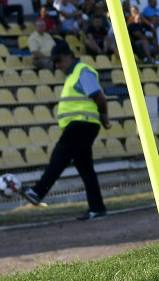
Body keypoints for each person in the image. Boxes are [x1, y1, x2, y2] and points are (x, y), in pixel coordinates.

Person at [22, 40, 109, 220]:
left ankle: (38, 192)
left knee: (59, 156)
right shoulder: (73, 75)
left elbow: (99, 96)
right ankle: (97, 208)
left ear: (70, 56)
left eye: (59, 61)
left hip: (81, 124)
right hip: (83, 125)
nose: (58, 65)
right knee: (85, 168)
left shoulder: (82, 71)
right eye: (55, 62)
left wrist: (105, 116)